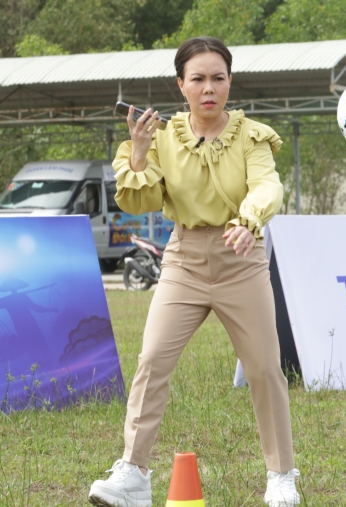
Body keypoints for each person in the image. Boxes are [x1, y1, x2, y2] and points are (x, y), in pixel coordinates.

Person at [89, 37, 300, 507]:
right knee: (151, 362)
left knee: (265, 369)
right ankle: (134, 474)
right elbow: (138, 199)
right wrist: (140, 153)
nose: (209, 88)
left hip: (240, 256)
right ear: (180, 85)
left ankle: (281, 474)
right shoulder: (159, 137)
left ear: (230, 82)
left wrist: (248, 222)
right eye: (198, 79)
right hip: (183, 258)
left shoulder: (252, 135)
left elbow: (268, 186)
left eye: (218, 78)